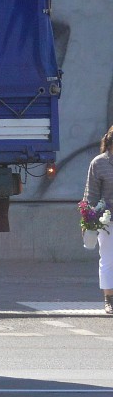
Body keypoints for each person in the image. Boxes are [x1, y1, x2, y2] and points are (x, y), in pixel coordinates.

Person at [82, 125, 113, 315]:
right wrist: (88, 221)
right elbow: (91, 195)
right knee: (108, 259)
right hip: (107, 220)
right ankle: (109, 299)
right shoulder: (99, 163)